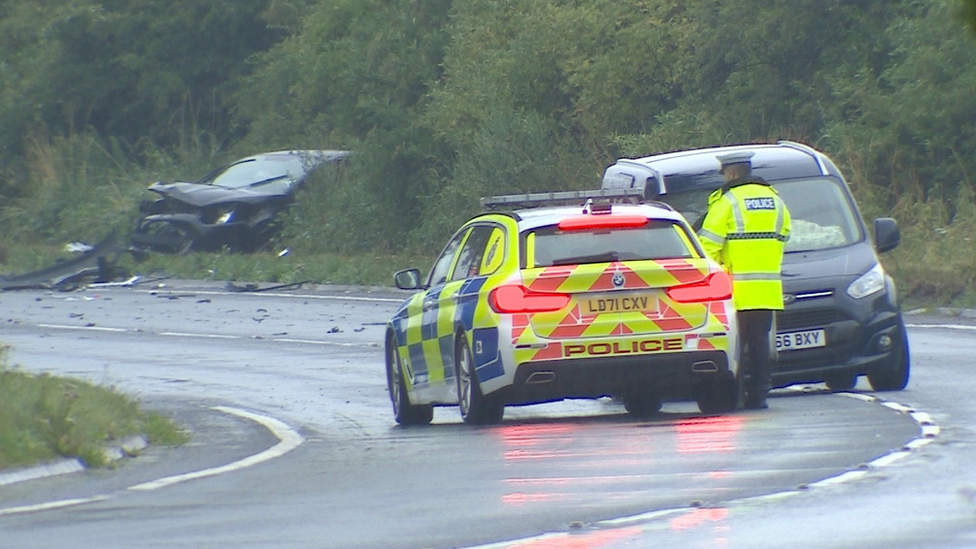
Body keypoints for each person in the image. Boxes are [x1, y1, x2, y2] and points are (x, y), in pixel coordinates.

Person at [698, 151, 791, 409]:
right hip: (767, 288)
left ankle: (737, 395)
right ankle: (759, 394)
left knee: (736, 346)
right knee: (760, 343)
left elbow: (708, 246)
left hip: (733, 289)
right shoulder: (775, 200)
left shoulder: (726, 202)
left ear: (731, 173)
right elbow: (784, 235)